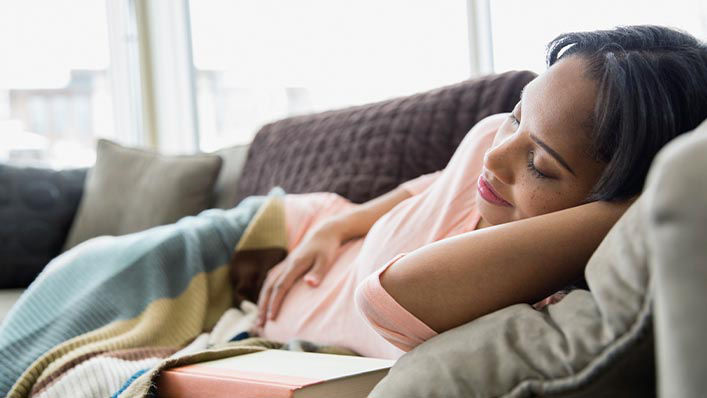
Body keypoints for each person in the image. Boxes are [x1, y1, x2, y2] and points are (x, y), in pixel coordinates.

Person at [253, 25, 707, 359]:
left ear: (611, 204)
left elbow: (389, 294)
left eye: (540, 165)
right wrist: (335, 227)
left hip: (269, 310)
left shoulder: (538, 294)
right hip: (295, 226)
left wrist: (657, 198)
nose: (494, 157)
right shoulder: (489, 141)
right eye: (516, 114)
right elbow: (423, 190)